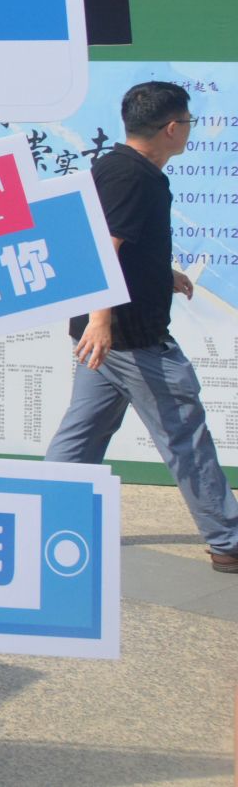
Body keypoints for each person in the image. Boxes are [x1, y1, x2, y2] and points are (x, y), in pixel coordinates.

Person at [44, 81, 238, 572]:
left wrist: (160, 274)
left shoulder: (121, 168)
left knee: (81, 436)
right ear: (172, 128)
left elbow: (123, 244)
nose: (189, 130)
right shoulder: (132, 177)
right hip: (129, 339)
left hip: (108, 339)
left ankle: (43, 516)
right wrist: (102, 320)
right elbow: (101, 250)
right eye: (188, 123)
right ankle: (228, 540)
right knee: (185, 435)